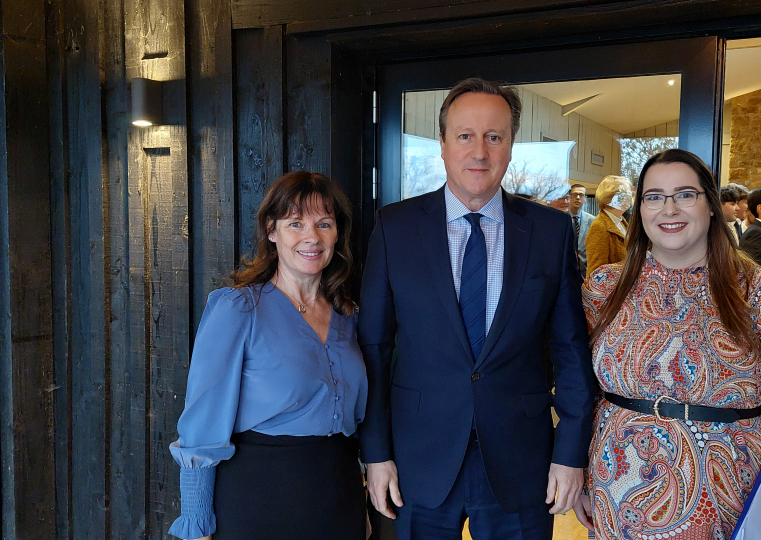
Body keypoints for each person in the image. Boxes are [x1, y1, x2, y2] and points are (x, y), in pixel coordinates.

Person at [359, 77, 595, 540]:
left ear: (510, 146)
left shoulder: (549, 232)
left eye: (494, 136)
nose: (479, 151)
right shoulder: (395, 227)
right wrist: (375, 452)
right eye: (465, 136)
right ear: (443, 145)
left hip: (520, 460)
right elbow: (374, 347)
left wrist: (571, 452)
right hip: (416, 461)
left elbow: (570, 350)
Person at [581, 149, 761, 539]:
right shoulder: (605, 288)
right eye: (654, 196)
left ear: (711, 205)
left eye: (684, 194)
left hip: (729, 492)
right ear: (640, 208)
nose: (668, 209)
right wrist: (579, 472)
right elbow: (590, 393)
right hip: (617, 485)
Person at [168, 172, 369, 540]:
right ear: (271, 230)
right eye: (296, 223)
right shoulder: (238, 309)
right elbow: (201, 426)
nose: (312, 236)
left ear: (337, 233)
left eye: (324, 223)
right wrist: (196, 524)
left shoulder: (348, 315)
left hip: (339, 501)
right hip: (259, 502)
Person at [584, 175, 633, 276]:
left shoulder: (621, 221)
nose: (629, 197)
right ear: (610, 199)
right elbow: (596, 274)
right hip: (613, 291)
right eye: (624, 194)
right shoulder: (600, 227)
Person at [569, 184, 596, 280]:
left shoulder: (592, 220)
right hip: (567, 271)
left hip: (585, 273)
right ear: (569, 197)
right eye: (574, 194)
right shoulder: (562, 218)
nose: (577, 198)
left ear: (585, 198)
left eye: (581, 195)